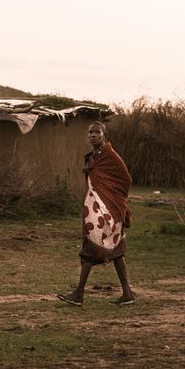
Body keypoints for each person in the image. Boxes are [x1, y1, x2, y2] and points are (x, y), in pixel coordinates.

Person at [57, 121, 135, 306]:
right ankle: (127, 294)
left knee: (91, 248)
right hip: (96, 208)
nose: (92, 135)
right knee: (116, 252)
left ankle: (78, 294)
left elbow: (126, 179)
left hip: (108, 210)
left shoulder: (110, 156)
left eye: (96, 132)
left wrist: (115, 200)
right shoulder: (93, 157)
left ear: (104, 135)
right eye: (90, 132)